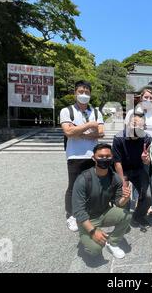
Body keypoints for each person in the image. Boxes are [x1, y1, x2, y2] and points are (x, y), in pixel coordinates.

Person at [72, 144, 132, 259]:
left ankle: (112, 243)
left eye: (108, 156)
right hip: (87, 219)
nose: (104, 159)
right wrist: (93, 231)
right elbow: (78, 211)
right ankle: (86, 236)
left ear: (112, 158)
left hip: (104, 212)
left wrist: (125, 198)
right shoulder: (83, 179)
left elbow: (118, 203)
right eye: (101, 156)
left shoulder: (114, 178)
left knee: (127, 216)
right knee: (95, 250)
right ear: (94, 158)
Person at [60, 80, 105, 232]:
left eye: (87, 92)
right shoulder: (67, 111)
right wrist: (89, 126)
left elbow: (101, 132)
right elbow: (68, 132)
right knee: (73, 186)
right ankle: (71, 215)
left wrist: (78, 131)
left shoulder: (96, 112)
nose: (84, 95)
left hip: (93, 155)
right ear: (75, 93)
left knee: (92, 184)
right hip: (74, 155)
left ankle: (87, 210)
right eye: (81, 92)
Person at [112, 113, 152, 229]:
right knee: (124, 195)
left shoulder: (147, 138)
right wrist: (123, 181)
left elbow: (148, 161)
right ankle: (122, 217)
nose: (136, 127)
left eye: (140, 125)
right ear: (128, 123)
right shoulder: (119, 138)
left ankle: (138, 216)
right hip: (123, 170)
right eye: (134, 123)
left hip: (138, 169)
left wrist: (146, 160)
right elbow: (117, 162)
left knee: (148, 196)